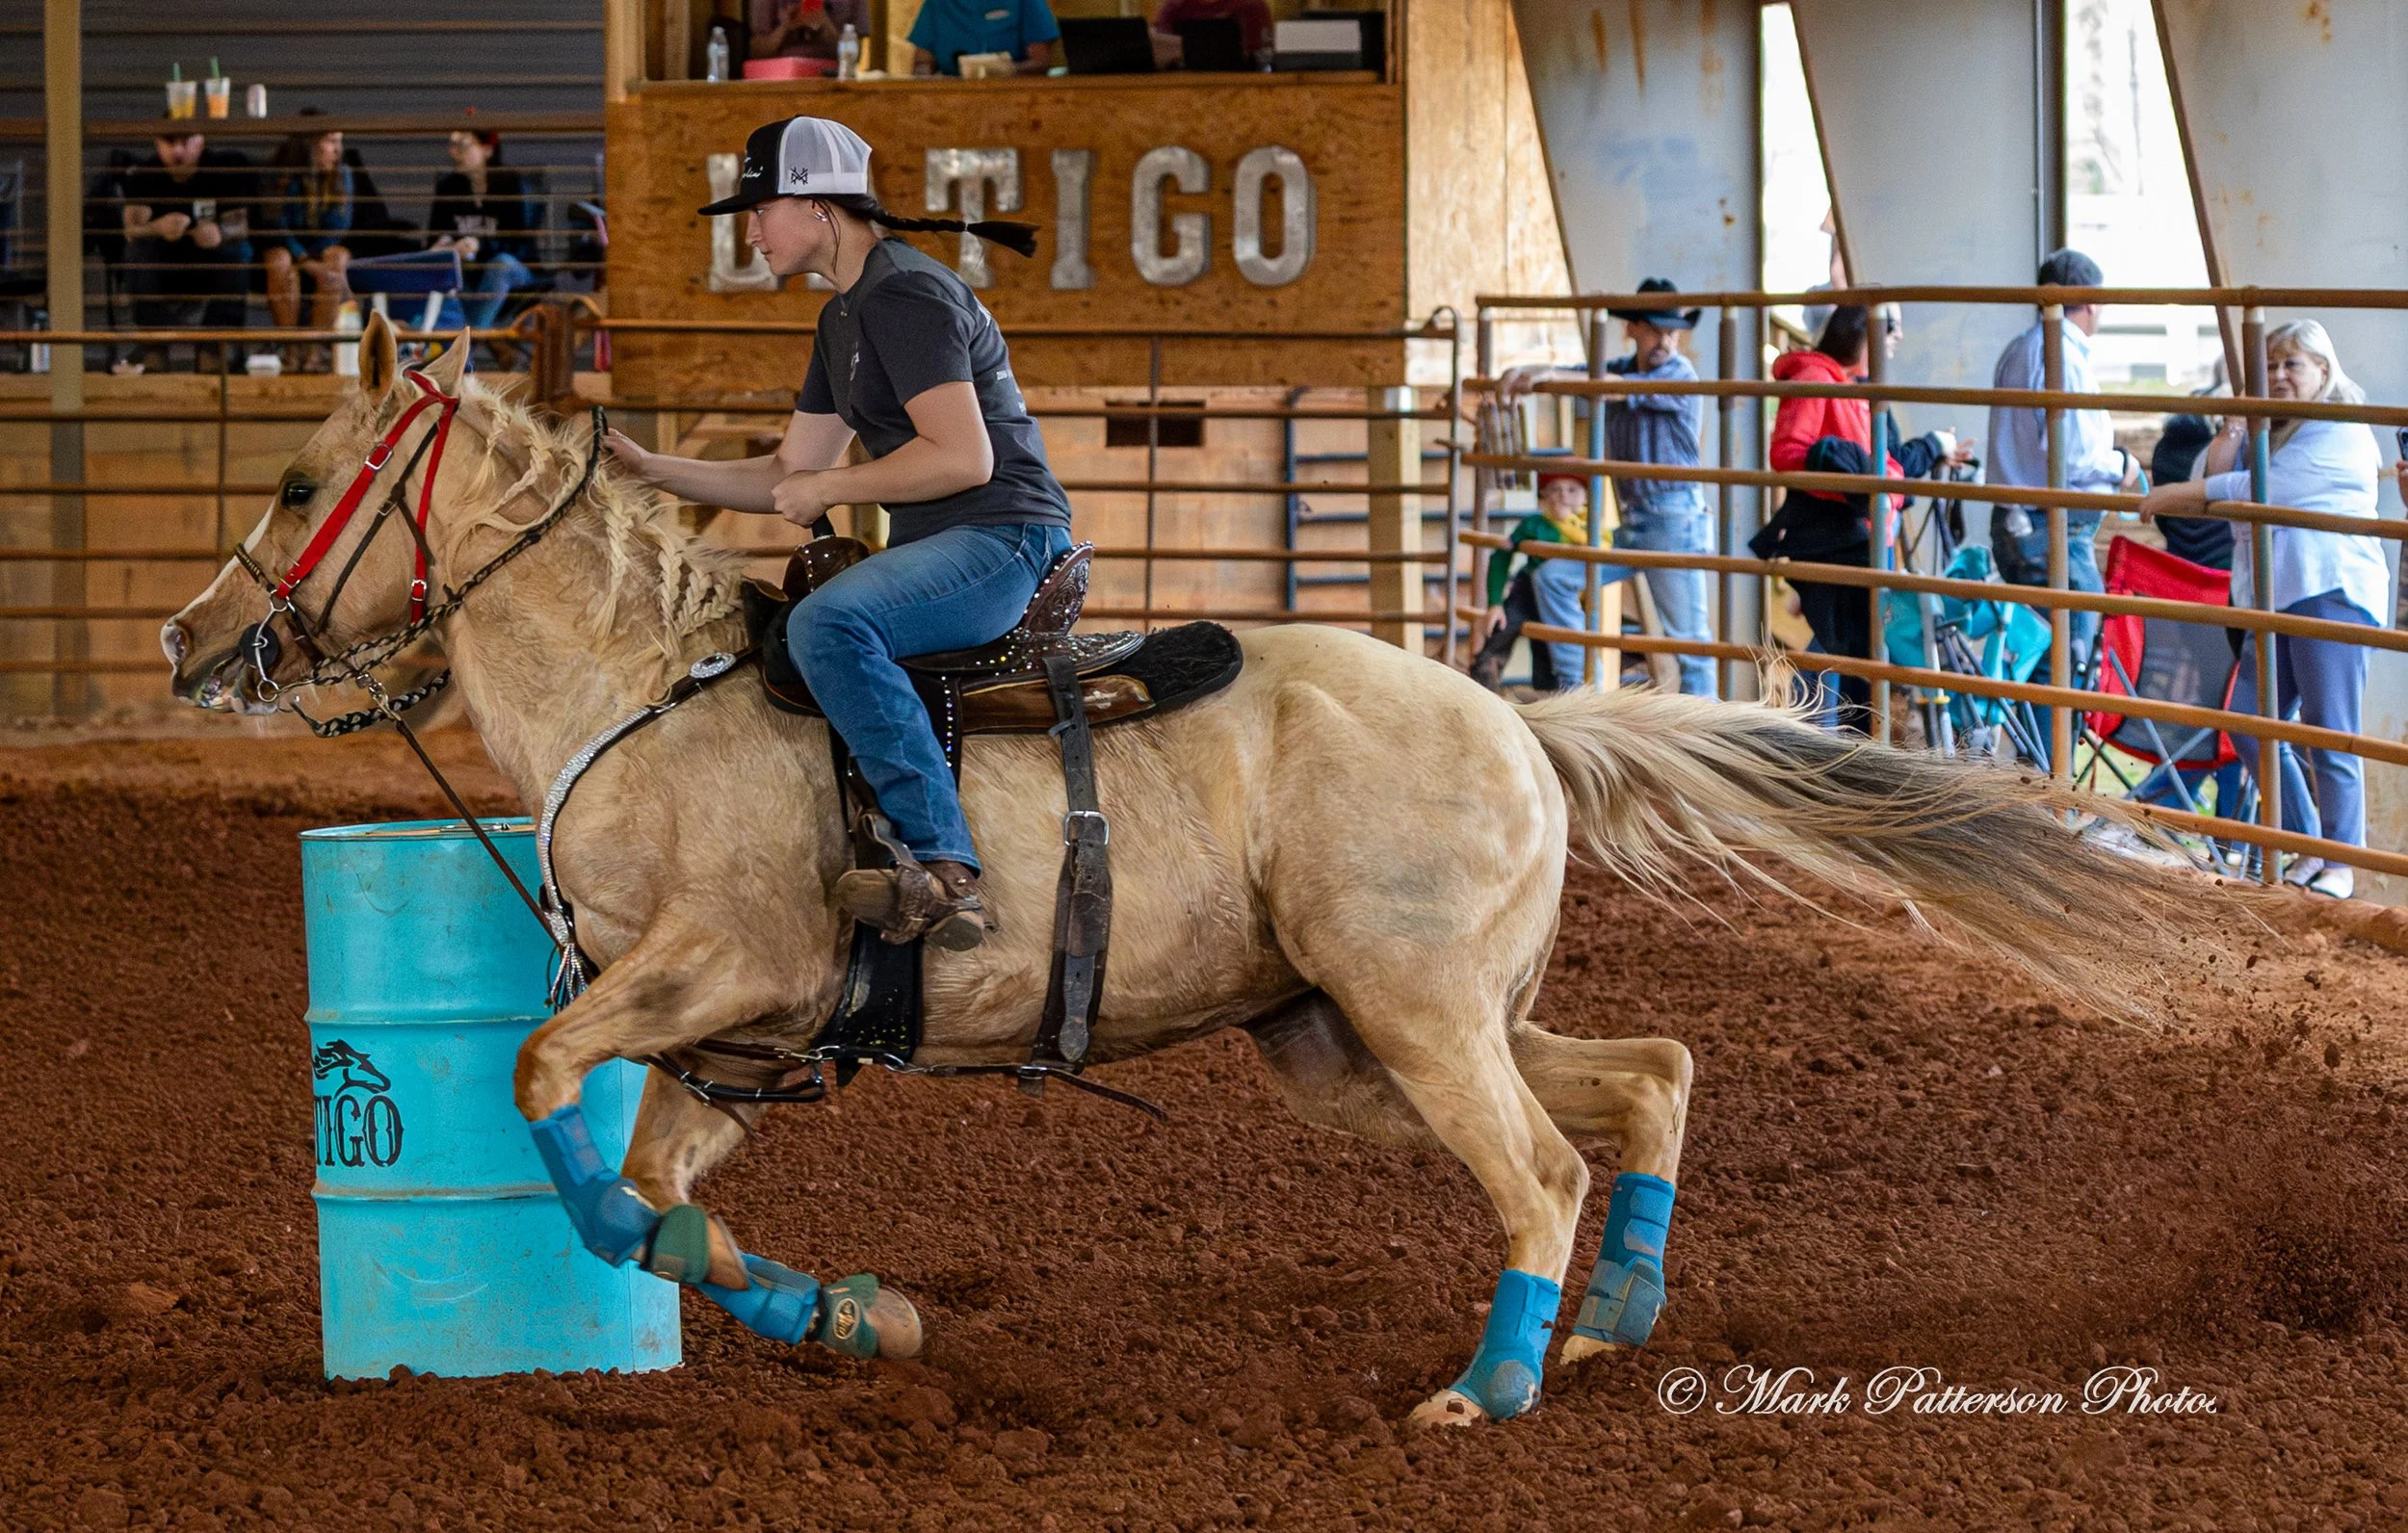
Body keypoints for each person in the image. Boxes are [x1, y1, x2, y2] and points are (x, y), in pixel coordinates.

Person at [603, 117, 1060, 949]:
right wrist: (651, 469)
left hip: (1004, 538)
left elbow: (962, 458)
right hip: (950, 544)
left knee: (829, 622)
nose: (749, 229)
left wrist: (833, 484)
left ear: (817, 206)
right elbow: (787, 473)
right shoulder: (846, 315)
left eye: (759, 207)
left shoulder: (905, 296)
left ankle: (945, 869)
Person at [2137, 321, 2385, 899]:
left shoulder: (2339, 427)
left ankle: (2341, 862)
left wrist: (2171, 495)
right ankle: (2308, 846)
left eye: (2291, 365)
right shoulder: (2270, 430)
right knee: (2251, 722)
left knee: (2328, 731)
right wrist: (2235, 420)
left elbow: (2262, 489)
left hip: (2330, 592)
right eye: (2269, 366)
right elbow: (2214, 472)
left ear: (2323, 371)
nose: (2277, 376)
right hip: (2272, 596)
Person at [1752, 304, 1973, 733]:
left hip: (1859, 537)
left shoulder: (1851, 388)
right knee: (1840, 647)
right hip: (1840, 538)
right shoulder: (1817, 381)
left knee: (1851, 647)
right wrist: (1853, 482)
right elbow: (1788, 453)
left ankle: (1837, 750)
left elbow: (1880, 464)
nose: (1899, 338)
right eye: (1891, 330)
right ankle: (1815, 747)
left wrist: (1898, 469)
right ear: (1862, 335)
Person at [1495, 277, 1717, 696]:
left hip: (1673, 521)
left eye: (1673, 330)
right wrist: (1529, 372)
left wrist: (1548, 374)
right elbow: (1584, 377)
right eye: (1655, 328)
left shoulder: (1677, 373)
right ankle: (1581, 694)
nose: (1666, 339)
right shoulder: (1621, 368)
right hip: (1637, 522)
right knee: (1553, 578)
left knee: (1691, 644)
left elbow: (1607, 388)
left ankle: (1711, 740)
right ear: (1632, 328)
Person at [1985, 247, 2143, 669]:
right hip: (2049, 526)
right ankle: (2054, 736)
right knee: (2067, 659)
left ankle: (2041, 736)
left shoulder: (2019, 349)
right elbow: (2074, 457)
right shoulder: (2063, 358)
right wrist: (2120, 465)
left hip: (2017, 520)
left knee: (2036, 651)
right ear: (2092, 301)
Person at [118, 126, 255, 371]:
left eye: (185, 140)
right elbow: (131, 229)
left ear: (200, 141)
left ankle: (212, 349)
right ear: (157, 143)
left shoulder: (222, 169)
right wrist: (157, 227)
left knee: (240, 251)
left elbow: (242, 224)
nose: (178, 150)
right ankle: (154, 348)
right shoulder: (145, 175)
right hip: (164, 270)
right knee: (135, 254)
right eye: (169, 141)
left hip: (211, 266)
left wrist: (220, 233)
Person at [1469, 473, 1593, 692]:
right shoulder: (1533, 525)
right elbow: (1501, 556)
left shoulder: (1591, 527)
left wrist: (1567, 522)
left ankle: (1559, 703)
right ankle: (1484, 690)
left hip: (1570, 600)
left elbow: (1597, 546)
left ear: (1586, 496)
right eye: (1555, 489)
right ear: (1543, 495)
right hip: (1527, 594)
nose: (1563, 495)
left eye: (1572, 490)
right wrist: (1495, 603)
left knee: (1553, 655)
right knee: (1497, 636)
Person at [429, 130, 540, 330]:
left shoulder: (510, 184)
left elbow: (520, 244)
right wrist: (446, 246)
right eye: (452, 146)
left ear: (487, 150)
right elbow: (434, 236)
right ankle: (481, 340)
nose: (455, 153)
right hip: (469, 272)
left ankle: (471, 338)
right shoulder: (448, 187)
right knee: (446, 269)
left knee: (501, 266)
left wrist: (480, 245)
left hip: (514, 270)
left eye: (463, 146)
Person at [263, 118, 358, 345]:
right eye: (331, 141)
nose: (338, 150)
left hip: (321, 250)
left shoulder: (342, 174)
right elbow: (278, 225)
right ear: (310, 145)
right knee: (279, 260)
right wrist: (304, 260)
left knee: (336, 259)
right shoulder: (281, 175)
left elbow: (339, 225)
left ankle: (315, 351)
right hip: (290, 250)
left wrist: (318, 259)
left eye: (340, 142)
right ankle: (290, 348)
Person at [908, 0, 1059, 75]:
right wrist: (924, 77)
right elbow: (922, 61)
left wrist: (1003, 71)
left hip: (1015, 100)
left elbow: (1041, 62)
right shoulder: (938, 3)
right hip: (951, 102)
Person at [751, 0, 874, 64]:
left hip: (834, 79)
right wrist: (785, 27)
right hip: (780, 79)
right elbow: (755, 52)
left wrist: (826, 25)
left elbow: (855, 56)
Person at [1151, 0, 1272, 61]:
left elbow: (1263, 55)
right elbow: (1160, 50)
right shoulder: (1175, 8)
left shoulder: (1251, 7)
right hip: (1181, 89)